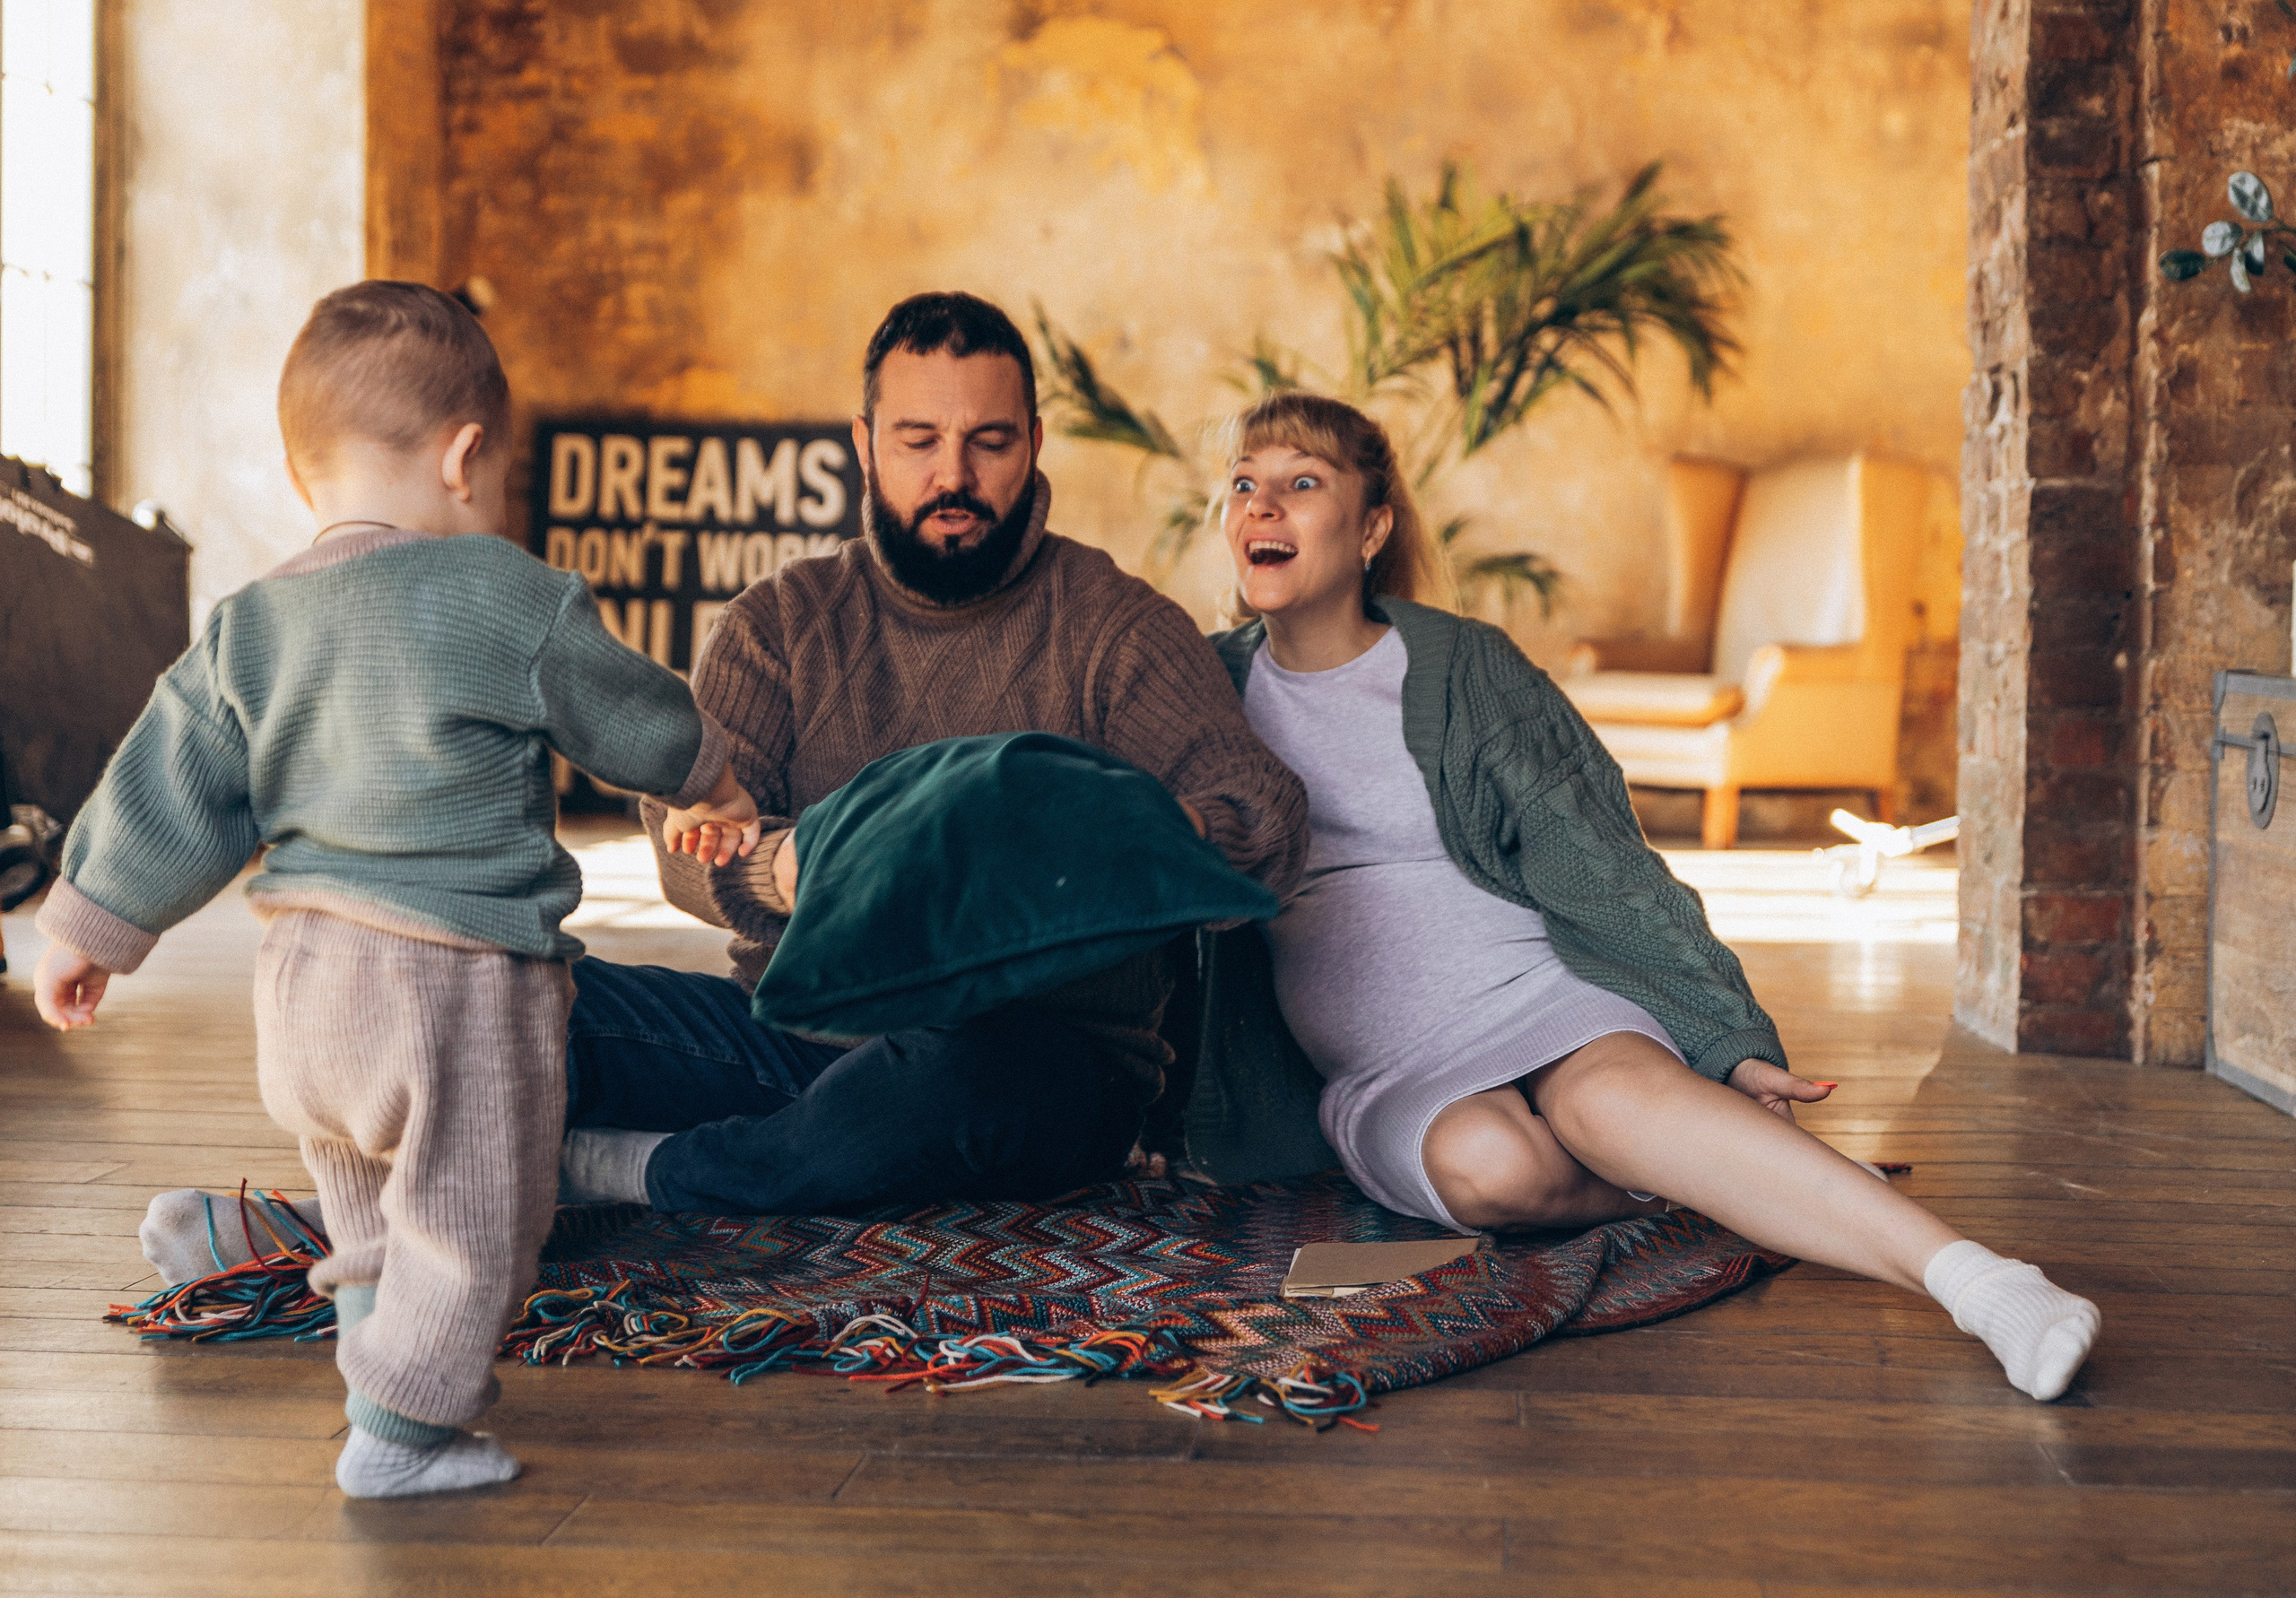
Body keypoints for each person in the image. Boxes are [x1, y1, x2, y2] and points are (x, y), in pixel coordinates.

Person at [135, 291, 1306, 1268]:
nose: (955, 473)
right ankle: (383, 1217)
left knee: (925, 1088)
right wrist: (794, 869)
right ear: (865, 444)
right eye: (919, 440)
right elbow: (690, 843)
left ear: (1034, 446)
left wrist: (1070, 838)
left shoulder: (1116, 629)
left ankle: (555, 1185)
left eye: (989, 442)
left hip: (1031, 1064)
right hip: (787, 1035)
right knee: (502, 995)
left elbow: (1259, 812)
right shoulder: (780, 624)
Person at [1190, 389, 2102, 1402]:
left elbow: (1598, 857)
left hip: (1537, 987)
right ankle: (1713, 1183)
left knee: (1609, 1095)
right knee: (1492, 1170)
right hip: (1382, 1061)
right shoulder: (1202, 687)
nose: (1262, 507)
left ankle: (1984, 1283)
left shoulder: (1460, 667)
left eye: (1300, 484)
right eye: (1245, 486)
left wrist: (1725, 1034)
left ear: (1370, 526)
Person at [32, 282, 761, 1498]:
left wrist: (87, 922)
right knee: (476, 1218)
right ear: (468, 455)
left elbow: (172, 783)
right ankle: (407, 1433)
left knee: (372, 1208)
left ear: (301, 463)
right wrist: (712, 779)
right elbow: (623, 708)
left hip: (305, 985)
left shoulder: (250, 626)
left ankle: (376, 1374)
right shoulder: (503, 593)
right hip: (456, 983)